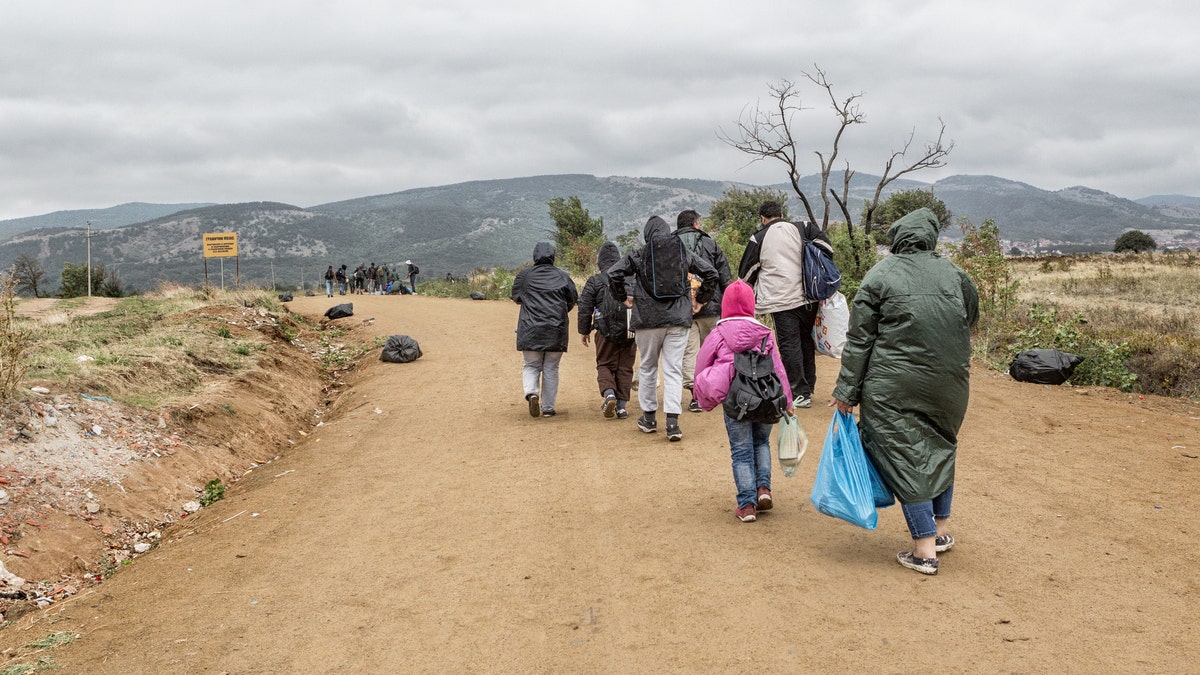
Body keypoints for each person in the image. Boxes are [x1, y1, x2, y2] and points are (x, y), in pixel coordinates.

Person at [830, 208, 979, 575]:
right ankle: (941, 532)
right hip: (950, 383)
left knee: (905, 454)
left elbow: (860, 340)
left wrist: (846, 391)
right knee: (941, 445)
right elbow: (970, 318)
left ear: (898, 238)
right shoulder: (955, 275)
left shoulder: (881, 274)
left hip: (892, 386)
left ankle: (924, 550)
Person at [607, 216, 718, 441]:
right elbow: (711, 273)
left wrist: (624, 298)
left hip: (647, 320)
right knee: (673, 369)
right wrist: (700, 300)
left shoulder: (640, 253)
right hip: (678, 319)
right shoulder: (681, 251)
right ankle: (672, 423)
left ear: (647, 234)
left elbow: (613, 273)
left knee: (648, 367)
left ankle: (649, 418)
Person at [694, 280, 794, 522]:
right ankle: (764, 490)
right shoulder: (765, 333)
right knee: (761, 443)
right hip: (765, 399)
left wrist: (702, 396)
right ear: (752, 305)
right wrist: (787, 402)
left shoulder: (719, 333)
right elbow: (778, 369)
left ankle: (747, 505)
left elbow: (701, 364)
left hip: (736, 401)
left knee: (741, 452)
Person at [737, 200, 829, 409]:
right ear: (781, 214)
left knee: (790, 345)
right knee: (806, 340)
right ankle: (808, 386)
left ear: (762, 218)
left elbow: (745, 274)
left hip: (781, 300)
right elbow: (826, 248)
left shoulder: (759, 237)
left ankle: (799, 391)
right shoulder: (803, 228)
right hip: (809, 296)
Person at [674, 209, 732, 413]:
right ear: (697, 224)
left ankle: (695, 396)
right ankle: (715, 390)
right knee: (714, 350)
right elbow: (723, 275)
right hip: (712, 307)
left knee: (690, 352)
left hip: (682, 309)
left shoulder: (671, 245)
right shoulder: (710, 243)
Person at [511, 242, 579, 418]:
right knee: (551, 367)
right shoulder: (563, 276)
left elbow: (516, 296)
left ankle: (532, 393)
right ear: (553, 256)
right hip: (556, 330)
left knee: (531, 365)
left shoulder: (525, 275)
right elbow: (572, 299)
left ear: (535, 256)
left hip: (530, 328)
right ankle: (548, 408)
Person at [578, 241, 637, 420]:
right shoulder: (631, 278)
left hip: (605, 331)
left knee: (605, 364)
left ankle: (609, 394)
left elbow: (585, 307)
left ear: (600, 262)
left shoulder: (595, 280)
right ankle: (621, 407)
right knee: (625, 367)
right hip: (629, 331)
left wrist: (584, 330)